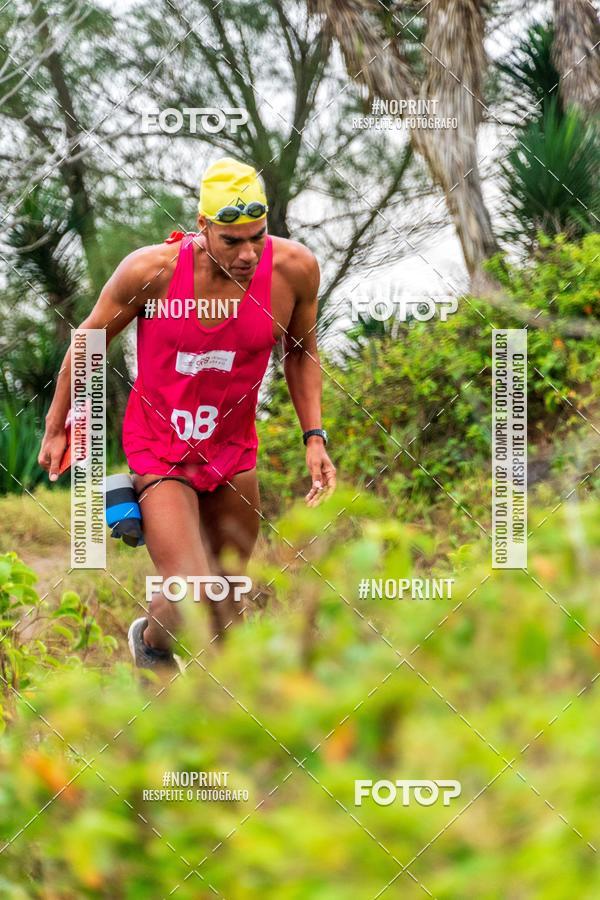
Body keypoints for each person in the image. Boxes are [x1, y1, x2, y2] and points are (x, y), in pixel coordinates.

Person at [38, 157, 336, 671]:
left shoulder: (294, 270)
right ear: (203, 228)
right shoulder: (151, 272)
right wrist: (58, 426)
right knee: (191, 591)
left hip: (232, 451)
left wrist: (315, 435)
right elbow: (88, 343)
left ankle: (236, 734)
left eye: (257, 237)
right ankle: (152, 646)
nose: (247, 254)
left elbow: (301, 351)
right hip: (162, 448)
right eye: (231, 241)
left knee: (226, 605)